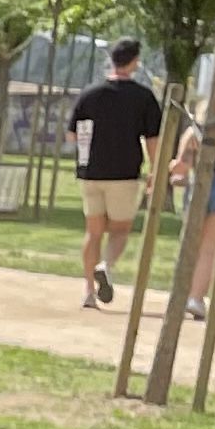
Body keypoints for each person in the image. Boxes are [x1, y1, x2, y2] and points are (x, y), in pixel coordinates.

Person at [67, 37, 168, 308]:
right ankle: (106, 265)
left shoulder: (89, 93)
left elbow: (72, 135)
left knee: (93, 231)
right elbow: (153, 141)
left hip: (90, 173)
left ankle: (88, 290)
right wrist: (157, 171)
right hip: (123, 173)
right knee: (120, 230)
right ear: (135, 62)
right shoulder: (143, 97)